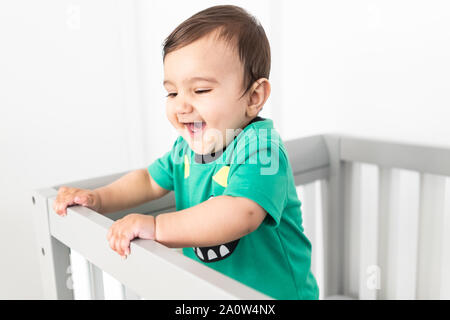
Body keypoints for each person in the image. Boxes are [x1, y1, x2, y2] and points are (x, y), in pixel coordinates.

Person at [53, 5, 319, 300]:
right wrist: (99, 199)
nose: (181, 106)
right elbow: (147, 181)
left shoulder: (261, 148)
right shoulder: (185, 151)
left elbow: (241, 212)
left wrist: (156, 226)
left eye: (201, 90)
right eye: (172, 92)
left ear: (254, 97)